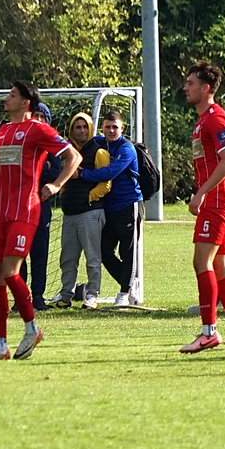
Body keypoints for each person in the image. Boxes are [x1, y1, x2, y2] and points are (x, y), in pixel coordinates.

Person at [0, 81, 81, 361]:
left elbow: (73, 156)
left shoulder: (38, 129)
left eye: (12, 95)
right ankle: (0, 345)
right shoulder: (2, 131)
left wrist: (57, 184)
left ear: (26, 102)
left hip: (24, 210)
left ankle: (31, 328)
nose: (6, 98)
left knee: (11, 272)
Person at [179, 61, 225, 354]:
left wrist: (201, 193)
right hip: (217, 200)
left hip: (218, 201)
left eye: (191, 83)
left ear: (206, 88)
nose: (185, 88)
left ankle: (208, 332)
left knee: (202, 262)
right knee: (220, 267)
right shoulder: (202, 120)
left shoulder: (216, 118)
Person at [80, 111, 143, 307]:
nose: (111, 130)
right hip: (108, 208)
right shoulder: (100, 142)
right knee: (104, 250)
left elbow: (110, 172)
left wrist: (82, 174)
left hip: (128, 204)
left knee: (128, 251)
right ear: (102, 128)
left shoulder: (126, 148)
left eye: (115, 127)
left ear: (122, 128)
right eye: (107, 127)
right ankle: (130, 284)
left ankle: (124, 293)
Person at [50, 112, 110, 309]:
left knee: (92, 257)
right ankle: (66, 294)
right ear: (72, 130)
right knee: (68, 258)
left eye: (85, 127)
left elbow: (106, 184)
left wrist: (87, 198)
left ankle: (92, 295)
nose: (82, 131)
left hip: (90, 213)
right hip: (69, 213)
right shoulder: (66, 152)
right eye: (78, 127)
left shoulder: (99, 152)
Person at [18, 103, 62, 312]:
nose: (38, 119)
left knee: (39, 252)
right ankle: (21, 297)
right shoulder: (21, 142)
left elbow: (55, 173)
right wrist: (42, 168)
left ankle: (38, 297)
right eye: (35, 115)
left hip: (41, 205)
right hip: (20, 206)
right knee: (19, 252)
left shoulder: (52, 146)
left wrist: (39, 169)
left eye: (42, 116)